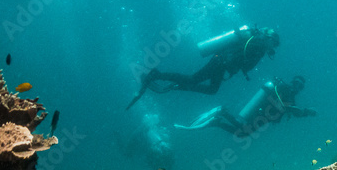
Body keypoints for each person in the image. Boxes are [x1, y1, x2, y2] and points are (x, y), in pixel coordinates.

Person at [126, 25, 280, 109]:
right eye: (273, 44)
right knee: (193, 80)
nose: (272, 47)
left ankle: (172, 84)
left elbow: (243, 61)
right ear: (269, 39)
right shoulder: (257, 44)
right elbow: (245, 62)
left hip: (221, 64)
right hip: (220, 62)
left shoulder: (258, 45)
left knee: (209, 88)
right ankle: (158, 75)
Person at [175, 75, 315, 135]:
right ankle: (221, 114)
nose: (298, 88)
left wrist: (304, 113)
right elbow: (288, 108)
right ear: (293, 83)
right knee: (242, 131)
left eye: (300, 87)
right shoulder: (285, 89)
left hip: (264, 117)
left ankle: (218, 121)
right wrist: (306, 111)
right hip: (260, 113)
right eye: (297, 84)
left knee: (242, 132)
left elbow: (292, 111)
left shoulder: (291, 95)